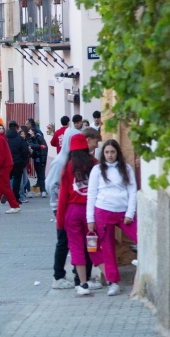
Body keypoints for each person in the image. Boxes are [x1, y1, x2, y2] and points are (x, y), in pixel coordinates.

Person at [87, 139, 137, 296]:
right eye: (107, 152)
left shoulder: (126, 168)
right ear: (103, 154)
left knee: (140, 236)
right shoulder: (97, 170)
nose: (110, 155)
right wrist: (90, 219)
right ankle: (112, 282)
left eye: (112, 152)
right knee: (107, 248)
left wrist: (130, 213)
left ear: (117, 153)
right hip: (103, 211)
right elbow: (92, 194)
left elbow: (132, 191)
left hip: (123, 213)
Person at [57, 134, 100, 295]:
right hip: (92, 211)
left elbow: (62, 197)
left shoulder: (68, 166)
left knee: (76, 248)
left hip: (73, 211)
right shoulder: (94, 164)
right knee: (94, 247)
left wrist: (60, 222)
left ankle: (82, 284)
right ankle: (110, 279)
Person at [46, 114, 84, 210]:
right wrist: (61, 199)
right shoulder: (60, 162)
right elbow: (51, 185)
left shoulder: (75, 159)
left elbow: (52, 143)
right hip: (61, 205)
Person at [5, 121, 30, 205]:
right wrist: (23, 161)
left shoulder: (5, 138)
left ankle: (6, 195)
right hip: (18, 162)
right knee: (17, 181)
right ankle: (16, 197)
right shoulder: (19, 138)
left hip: (7, 163)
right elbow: (25, 151)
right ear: (16, 127)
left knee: (7, 180)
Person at [27, 126, 49, 197]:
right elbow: (30, 145)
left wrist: (43, 159)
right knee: (38, 174)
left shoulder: (39, 138)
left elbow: (44, 148)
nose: (29, 131)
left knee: (41, 174)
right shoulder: (30, 139)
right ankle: (41, 189)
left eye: (30, 130)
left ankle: (43, 190)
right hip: (36, 158)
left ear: (33, 131)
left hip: (41, 158)